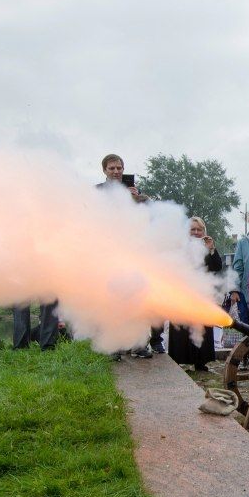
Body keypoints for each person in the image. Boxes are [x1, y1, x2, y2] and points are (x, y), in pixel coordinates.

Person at [96, 153, 159, 357]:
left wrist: (137, 199)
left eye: (119, 168)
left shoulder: (136, 192)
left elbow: (151, 216)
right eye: (112, 168)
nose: (116, 171)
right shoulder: (97, 192)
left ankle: (139, 344)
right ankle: (113, 345)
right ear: (104, 170)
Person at [169, 217, 223, 372]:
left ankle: (201, 361)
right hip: (183, 293)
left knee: (202, 327)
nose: (196, 232)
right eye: (193, 229)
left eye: (199, 229)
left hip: (203, 293)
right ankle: (180, 360)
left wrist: (211, 250)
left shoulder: (207, 246)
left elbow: (216, 267)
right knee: (182, 327)